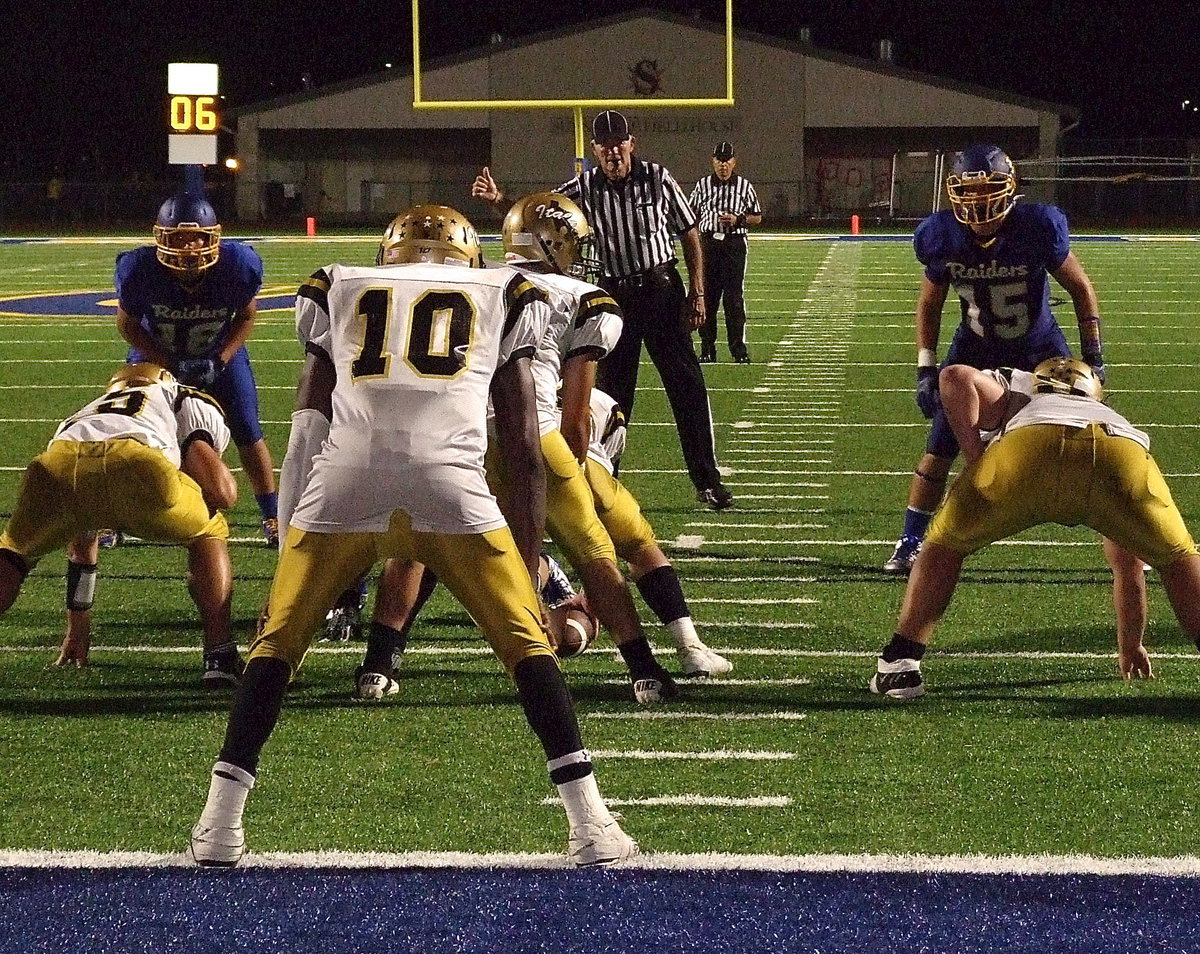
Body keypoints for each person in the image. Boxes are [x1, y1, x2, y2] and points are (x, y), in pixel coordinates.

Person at [191, 205, 637, 869]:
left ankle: (219, 825)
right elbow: (518, 444)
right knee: (524, 643)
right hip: (449, 479)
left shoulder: (339, 283)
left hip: (346, 480)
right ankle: (592, 825)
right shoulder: (508, 292)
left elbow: (308, 427)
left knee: (277, 644)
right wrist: (526, 569)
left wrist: (290, 550)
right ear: (468, 257)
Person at [869, 358, 1200, 699]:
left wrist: (975, 457)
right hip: (1120, 451)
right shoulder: (1106, 413)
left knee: (943, 544)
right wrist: (1131, 645)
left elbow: (954, 375)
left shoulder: (1020, 387)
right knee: (1178, 557)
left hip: (1027, 446)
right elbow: (1128, 567)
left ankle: (901, 665)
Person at [472, 109, 734, 510]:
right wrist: (499, 200)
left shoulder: (658, 178)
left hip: (661, 290)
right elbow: (539, 212)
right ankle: (603, 480)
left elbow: (689, 232)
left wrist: (697, 294)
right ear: (594, 150)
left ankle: (707, 480)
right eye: (605, 146)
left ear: (632, 143)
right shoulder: (584, 185)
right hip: (616, 297)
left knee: (688, 390)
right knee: (611, 397)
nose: (614, 153)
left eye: (619, 144)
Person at [883, 144, 1106, 575]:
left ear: (1010, 188)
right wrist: (926, 367)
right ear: (953, 193)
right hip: (975, 345)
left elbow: (1081, 288)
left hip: (1040, 346)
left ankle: (1125, 535)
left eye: (987, 189)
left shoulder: (1036, 226)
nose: (978, 201)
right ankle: (910, 541)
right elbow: (930, 303)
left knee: (1087, 439)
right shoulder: (941, 235)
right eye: (968, 191)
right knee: (939, 445)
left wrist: (1093, 356)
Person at [0, 364, 242, 686]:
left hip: (58, 463)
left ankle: (75, 631)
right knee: (210, 528)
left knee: (14, 555)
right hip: (137, 463)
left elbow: (82, 540)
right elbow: (222, 493)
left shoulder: (87, 412)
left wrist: (79, 625)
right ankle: (220, 656)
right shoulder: (178, 395)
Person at [114, 191, 280, 546]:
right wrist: (166, 360)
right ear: (162, 238)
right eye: (178, 238)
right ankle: (113, 514)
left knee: (248, 431)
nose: (189, 248)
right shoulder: (140, 270)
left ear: (213, 237)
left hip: (218, 354)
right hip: (157, 355)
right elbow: (127, 325)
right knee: (130, 431)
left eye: (197, 238)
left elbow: (248, 314)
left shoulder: (236, 266)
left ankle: (272, 514)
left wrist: (221, 357)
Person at [582, 385, 733, 677]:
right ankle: (684, 651)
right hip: (575, 465)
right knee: (636, 548)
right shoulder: (603, 404)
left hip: (500, 459)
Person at [688, 141, 762, 364]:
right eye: (719, 160)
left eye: (727, 160)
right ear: (713, 161)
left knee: (733, 300)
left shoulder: (744, 186)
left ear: (733, 162)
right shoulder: (702, 186)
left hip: (734, 245)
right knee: (708, 298)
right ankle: (708, 349)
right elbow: (690, 214)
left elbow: (757, 216)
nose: (723, 165)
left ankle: (738, 349)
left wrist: (738, 219)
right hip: (709, 245)